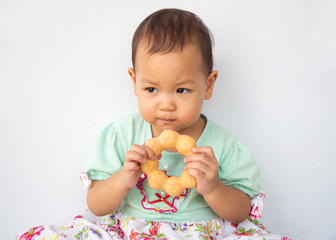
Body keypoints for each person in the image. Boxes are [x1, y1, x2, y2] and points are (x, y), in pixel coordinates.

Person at [17, 8, 290, 240]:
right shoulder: (122, 135)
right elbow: (96, 205)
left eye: (181, 90)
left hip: (201, 232)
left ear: (207, 85)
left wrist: (214, 187)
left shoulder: (223, 145)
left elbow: (240, 212)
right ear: (134, 82)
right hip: (131, 229)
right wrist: (122, 179)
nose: (166, 104)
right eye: (151, 89)